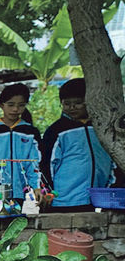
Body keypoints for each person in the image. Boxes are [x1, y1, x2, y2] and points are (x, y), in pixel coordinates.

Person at [40, 78, 115, 212]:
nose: (72, 107)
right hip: (63, 200)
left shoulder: (101, 127)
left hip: (99, 199)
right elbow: (46, 163)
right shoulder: (57, 130)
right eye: (67, 104)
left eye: (78, 103)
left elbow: (113, 159)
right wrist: (48, 191)